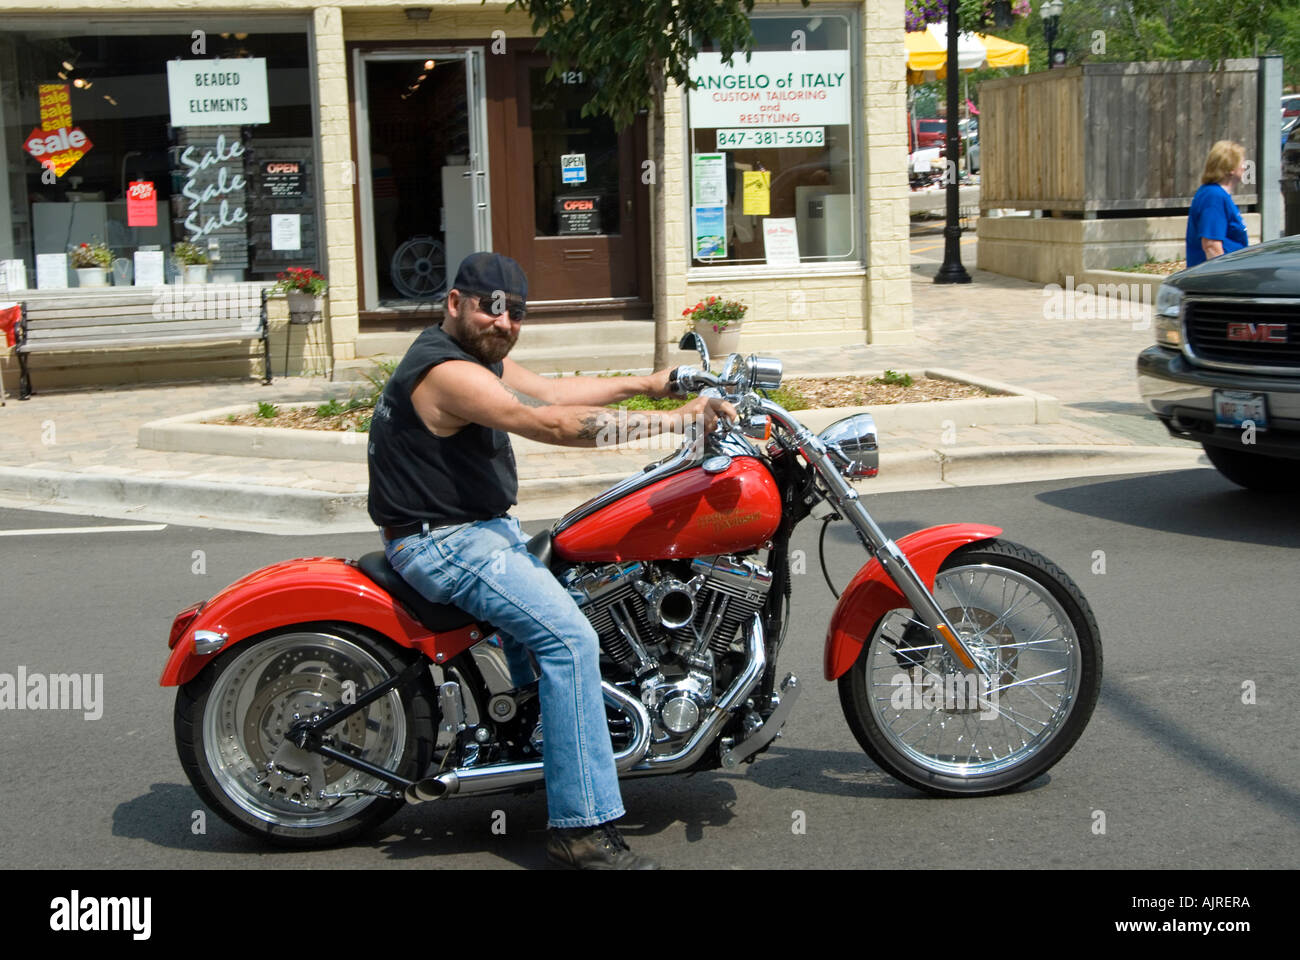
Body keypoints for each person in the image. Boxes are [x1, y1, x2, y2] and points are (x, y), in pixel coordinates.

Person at [367, 251, 735, 869]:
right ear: (455, 303)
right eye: (491, 307)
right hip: (447, 542)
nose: (503, 322)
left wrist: (653, 382)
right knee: (569, 642)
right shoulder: (446, 372)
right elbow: (551, 422)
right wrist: (675, 424)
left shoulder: (476, 355)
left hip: (481, 530)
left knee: (595, 576)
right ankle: (581, 829)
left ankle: (553, 738)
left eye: (516, 313)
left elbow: (555, 389)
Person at [1186, 140, 1249, 268]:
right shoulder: (1213, 197)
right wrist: (1224, 278)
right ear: (1230, 167)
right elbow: (1211, 246)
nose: (1244, 167)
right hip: (1212, 280)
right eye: (1242, 162)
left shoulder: (1217, 195)